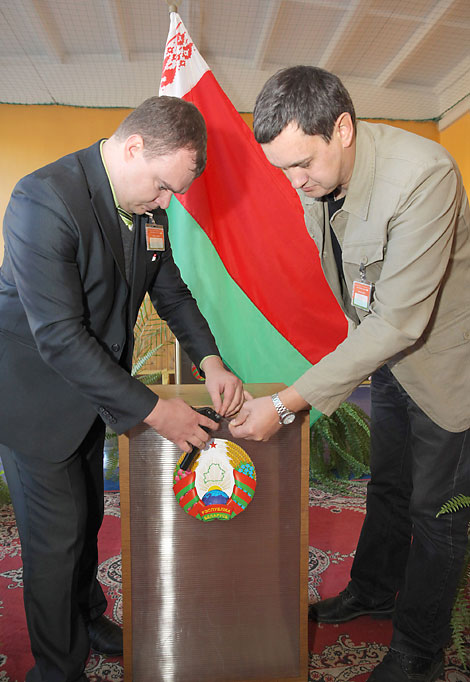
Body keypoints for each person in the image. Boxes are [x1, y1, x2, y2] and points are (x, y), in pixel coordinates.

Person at [229, 66, 470, 682]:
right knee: (388, 486)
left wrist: (287, 403)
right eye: (283, 168)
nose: (294, 182)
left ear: (342, 129)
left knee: (438, 513)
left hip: (447, 368)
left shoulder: (422, 175)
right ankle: (374, 590)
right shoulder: (316, 178)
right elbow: (359, 299)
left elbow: (400, 322)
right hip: (387, 357)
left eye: (301, 164)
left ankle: (419, 652)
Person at [0, 95, 244, 682]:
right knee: (55, 545)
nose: (165, 204)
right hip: (34, 398)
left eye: (172, 194)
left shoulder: (149, 208)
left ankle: (86, 618)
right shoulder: (42, 199)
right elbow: (58, 337)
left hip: (92, 392)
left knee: (84, 524)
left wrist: (210, 359)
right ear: (133, 147)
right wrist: (159, 411)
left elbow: (172, 291)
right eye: (162, 187)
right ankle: (57, 671)